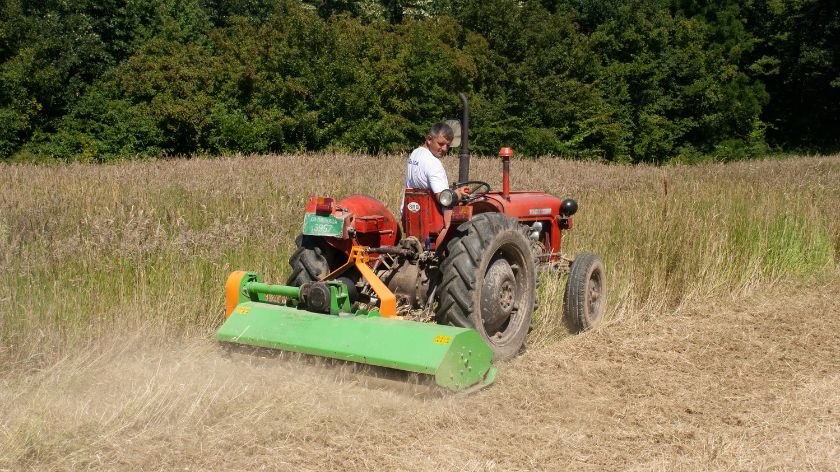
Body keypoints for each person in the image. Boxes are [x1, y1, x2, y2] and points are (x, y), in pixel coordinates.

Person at [401, 122, 466, 212]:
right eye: (441, 144)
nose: (445, 149)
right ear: (429, 139)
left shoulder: (415, 153)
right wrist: (458, 194)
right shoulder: (433, 162)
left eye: (448, 145)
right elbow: (443, 199)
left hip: (409, 212)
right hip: (431, 218)